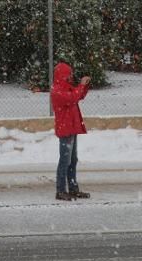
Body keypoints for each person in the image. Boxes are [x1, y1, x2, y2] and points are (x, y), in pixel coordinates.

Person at [50, 62, 91, 201]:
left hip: (71, 127)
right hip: (65, 129)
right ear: (62, 75)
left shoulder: (66, 87)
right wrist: (81, 86)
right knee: (65, 161)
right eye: (68, 74)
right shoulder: (57, 90)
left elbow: (78, 95)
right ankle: (60, 190)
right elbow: (73, 97)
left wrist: (83, 86)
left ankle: (73, 188)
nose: (70, 76)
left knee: (72, 160)